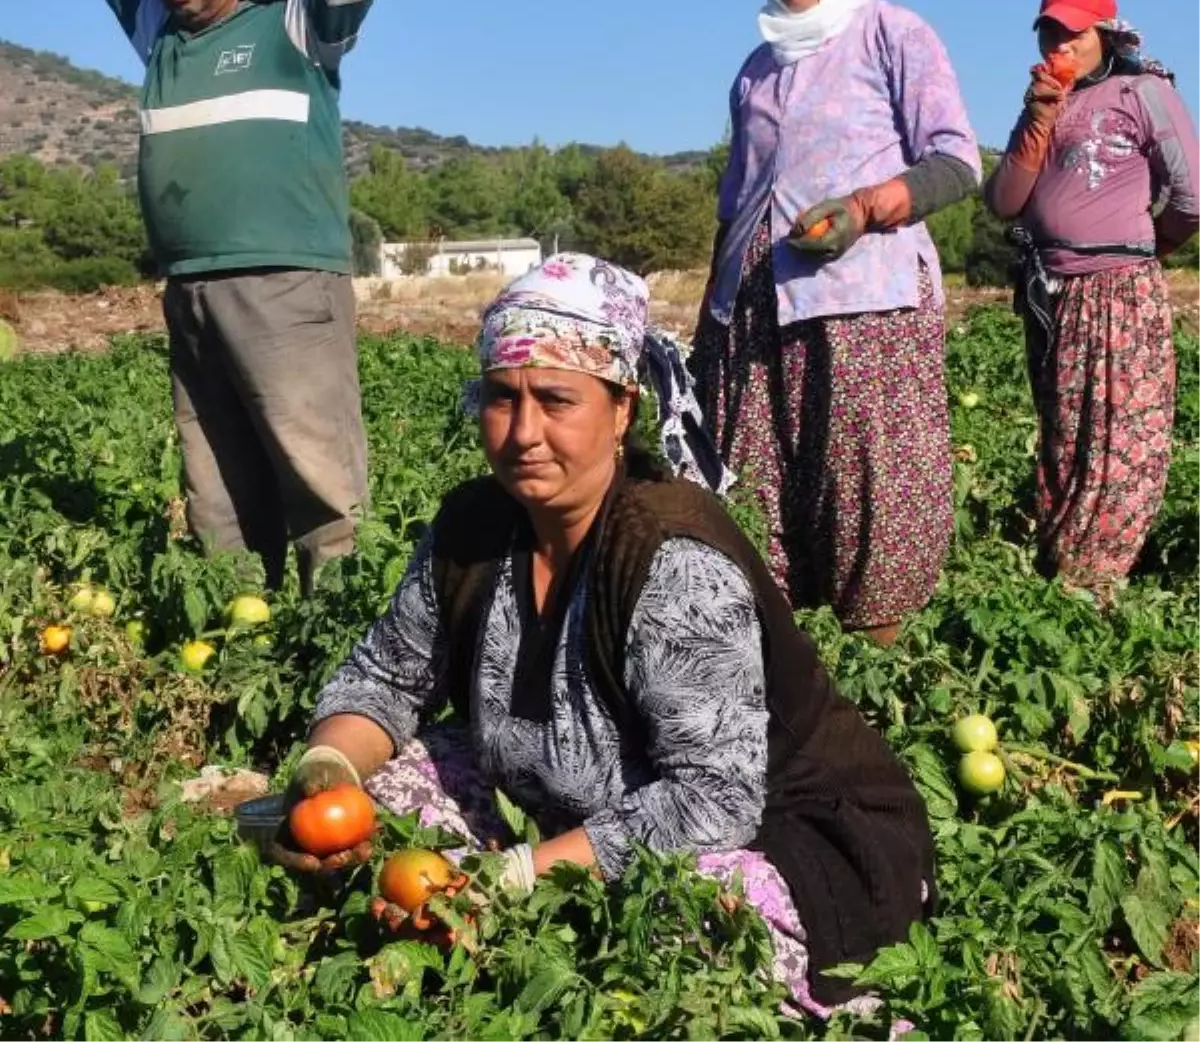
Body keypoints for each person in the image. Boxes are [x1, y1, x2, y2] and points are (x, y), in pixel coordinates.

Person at [271, 254, 936, 1015]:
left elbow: (713, 798)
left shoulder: (672, 560)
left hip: (785, 830)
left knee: (694, 915)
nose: (523, 433)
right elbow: (386, 680)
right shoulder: (474, 528)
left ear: (622, 409)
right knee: (384, 790)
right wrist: (329, 773)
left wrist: (517, 877)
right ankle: (508, 907)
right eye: (501, 398)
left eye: (556, 400)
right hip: (577, 811)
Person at [76, 0, 386, 594]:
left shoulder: (290, 26)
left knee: (320, 481)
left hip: (285, 284)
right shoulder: (159, 36)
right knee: (215, 487)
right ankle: (241, 636)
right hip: (191, 290)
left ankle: (339, 648)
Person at [691, 0, 980, 645]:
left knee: (867, 483)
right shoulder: (755, 70)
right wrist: (705, 328)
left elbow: (955, 161)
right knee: (754, 487)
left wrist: (863, 209)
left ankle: (877, 671)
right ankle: (781, 672)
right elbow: (733, 205)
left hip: (865, 299)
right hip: (751, 310)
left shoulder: (893, 33)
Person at [984, 0, 1200, 594]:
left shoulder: (1143, 92)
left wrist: (1140, 250)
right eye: (1050, 30)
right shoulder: (1045, 103)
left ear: (1104, 34)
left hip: (1117, 290)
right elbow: (1005, 200)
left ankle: (1095, 577)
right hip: (1049, 293)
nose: (1060, 42)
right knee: (1065, 435)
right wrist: (1038, 116)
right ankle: (1062, 567)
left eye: (1073, 32)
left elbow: (1191, 195)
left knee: (1119, 435)